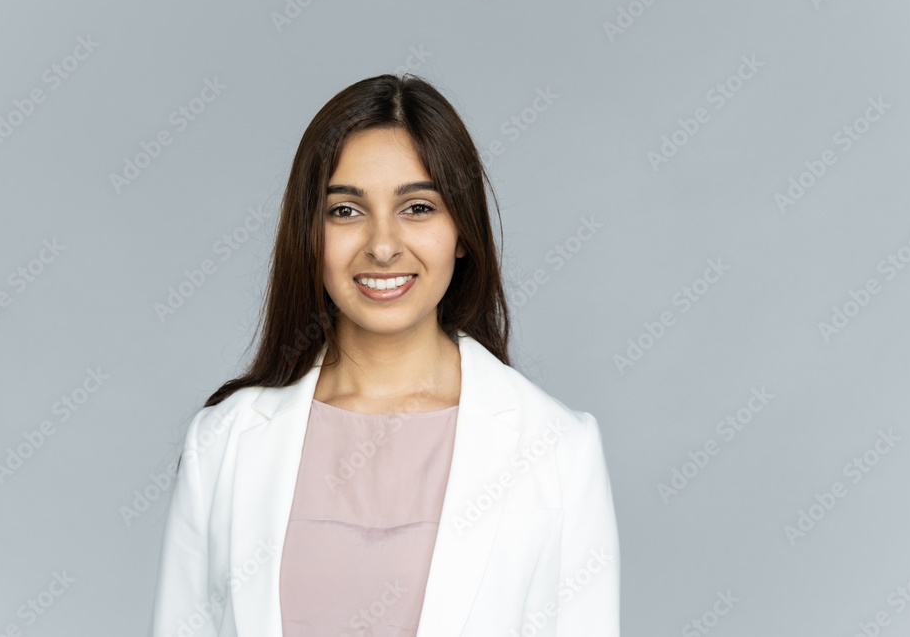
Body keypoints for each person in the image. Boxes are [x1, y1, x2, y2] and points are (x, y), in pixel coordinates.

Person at [148, 73, 619, 637]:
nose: (383, 245)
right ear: (310, 235)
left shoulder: (558, 450)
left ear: (463, 232)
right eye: (346, 211)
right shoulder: (223, 442)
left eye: (417, 207)